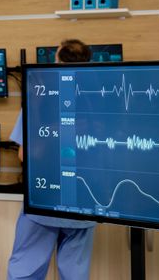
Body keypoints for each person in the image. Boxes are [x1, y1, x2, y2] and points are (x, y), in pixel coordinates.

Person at [7, 39, 96, 280]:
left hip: (44, 201)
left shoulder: (40, 99)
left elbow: (27, 155)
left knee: (26, 270)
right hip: (85, 201)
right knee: (75, 273)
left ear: (58, 61)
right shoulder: (98, 100)